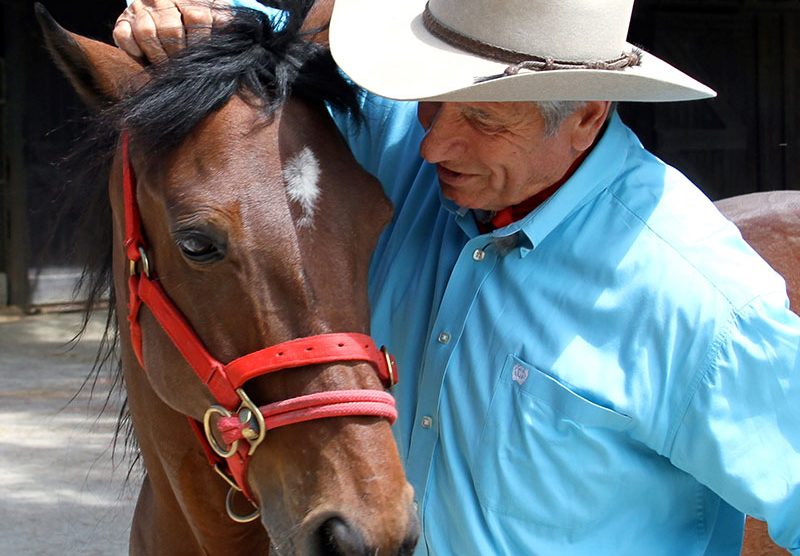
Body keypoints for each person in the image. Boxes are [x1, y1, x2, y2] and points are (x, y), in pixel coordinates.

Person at [113, 0, 800, 554]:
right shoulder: (411, 152)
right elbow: (283, 56)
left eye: (482, 119)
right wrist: (204, 16)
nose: (435, 143)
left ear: (586, 115)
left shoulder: (699, 302)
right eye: (431, 103)